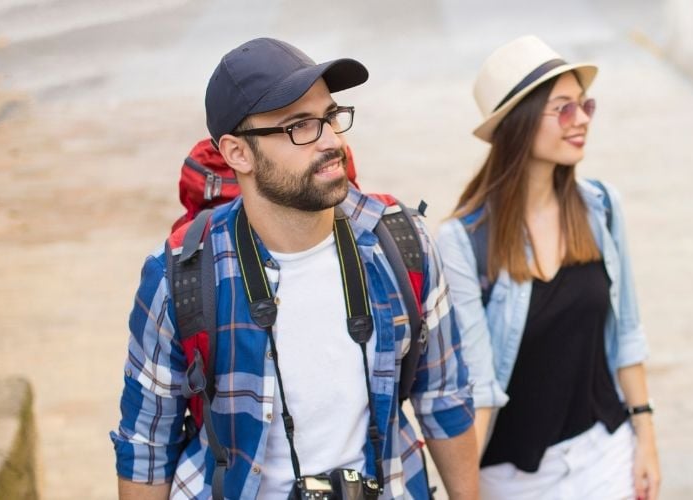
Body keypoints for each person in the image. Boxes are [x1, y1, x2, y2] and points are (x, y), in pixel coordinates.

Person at [111, 37, 478, 500]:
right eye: (299, 127)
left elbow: (444, 398)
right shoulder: (181, 277)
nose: (331, 142)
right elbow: (146, 445)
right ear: (237, 153)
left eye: (329, 117)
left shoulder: (401, 243)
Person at [436, 35, 661, 499]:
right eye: (563, 108)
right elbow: (480, 385)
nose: (581, 120)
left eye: (584, 105)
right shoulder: (463, 241)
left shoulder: (601, 208)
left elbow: (628, 335)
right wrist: (464, 491)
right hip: (514, 480)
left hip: (605, 455)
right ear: (519, 124)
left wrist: (646, 441)